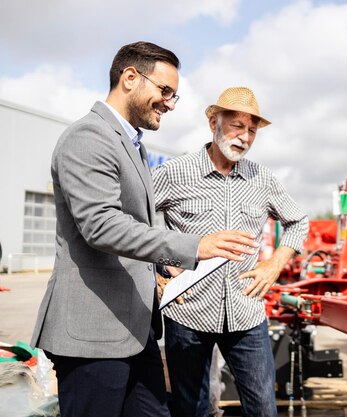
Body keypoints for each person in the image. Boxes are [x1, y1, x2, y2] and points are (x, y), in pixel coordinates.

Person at [30, 42, 258, 417]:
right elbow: (101, 226)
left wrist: (163, 270)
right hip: (94, 335)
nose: (169, 103)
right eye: (164, 91)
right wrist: (193, 245)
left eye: (174, 96)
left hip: (134, 333)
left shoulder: (132, 145)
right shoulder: (88, 137)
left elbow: (137, 226)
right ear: (130, 78)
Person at [153, 86, 309, 417]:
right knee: (191, 410)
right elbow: (131, 221)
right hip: (188, 312)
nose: (245, 137)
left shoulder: (262, 179)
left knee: (264, 409)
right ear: (213, 122)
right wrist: (156, 269)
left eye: (252, 130)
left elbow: (299, 222)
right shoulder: (175, 172)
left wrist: (274, 265)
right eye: (237, 125)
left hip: (246, 311)